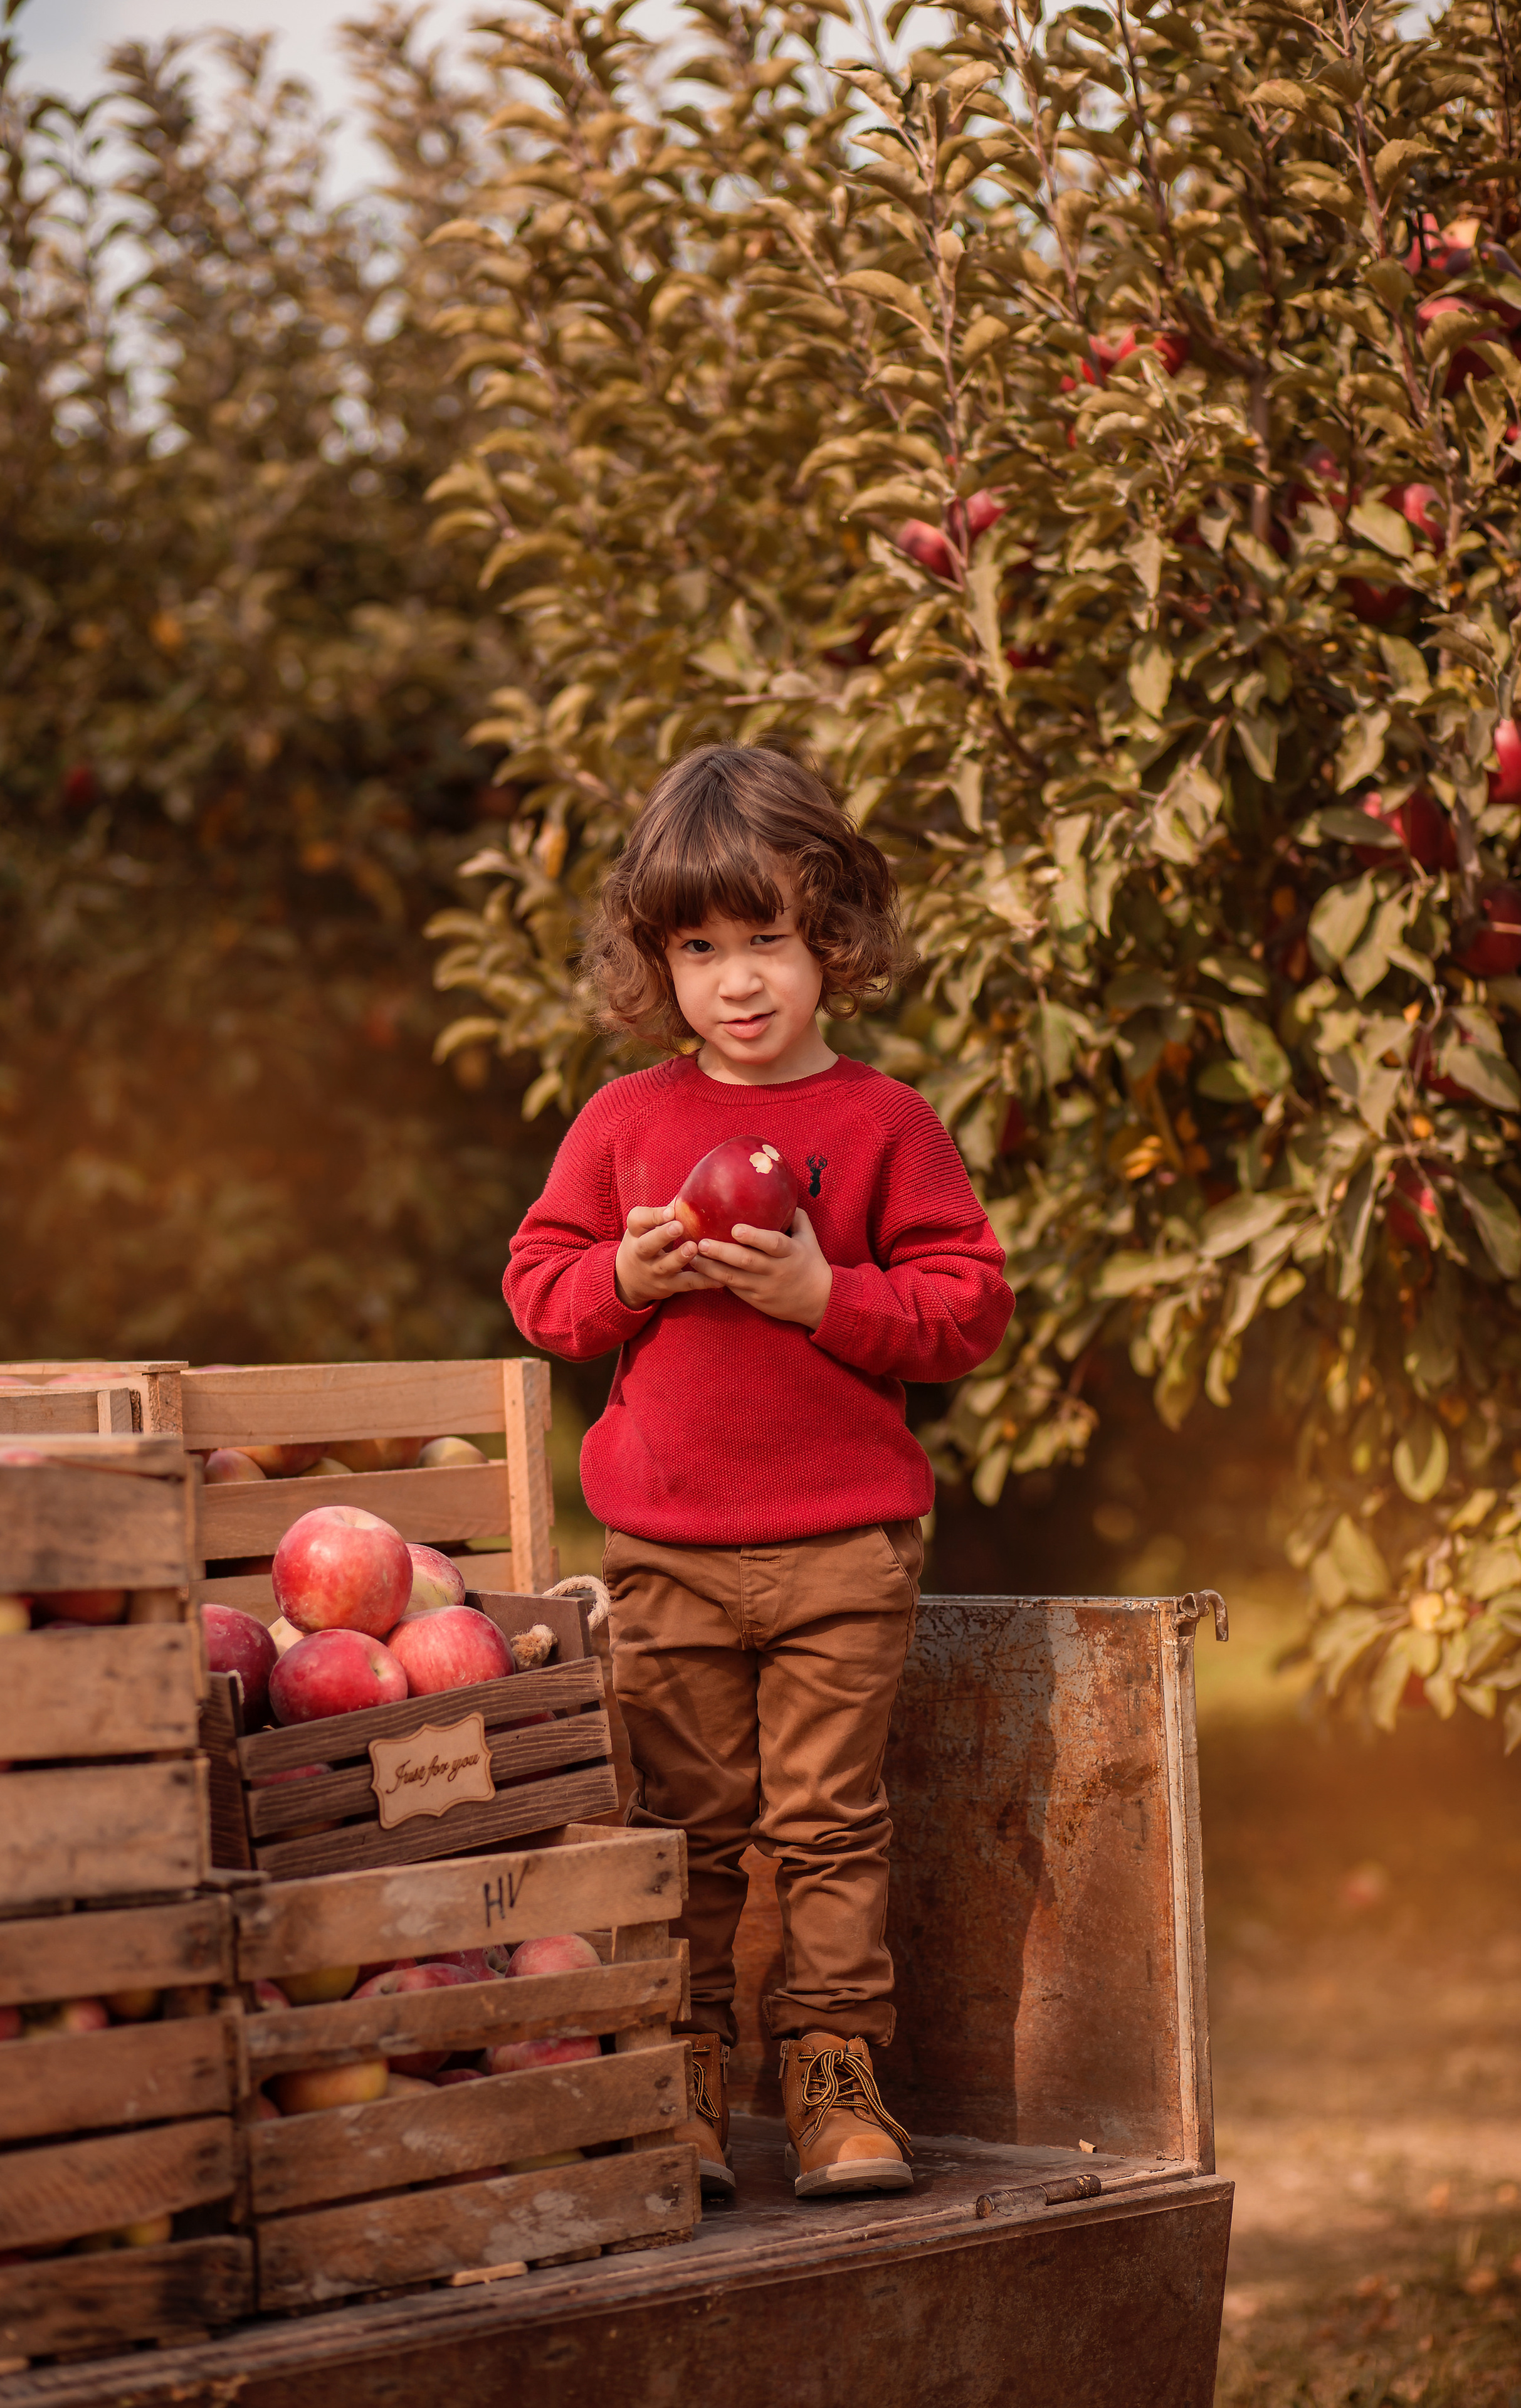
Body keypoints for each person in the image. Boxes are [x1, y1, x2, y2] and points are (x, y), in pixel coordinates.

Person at [503, 742, 1014, 2202]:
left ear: (831, 938)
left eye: (769, 940)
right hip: (662, 1547)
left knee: (828, 1828)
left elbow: (966, 1306)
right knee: (688, 1833)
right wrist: (627, 1269)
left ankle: (833, 2078)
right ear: (656, 959)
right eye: (699, 947)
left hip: (842, 1548)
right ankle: (679, 2087)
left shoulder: (881, 1124)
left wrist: (822, 1297)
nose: (737, 980)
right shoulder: (624, 1124)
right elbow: (539, 1290)